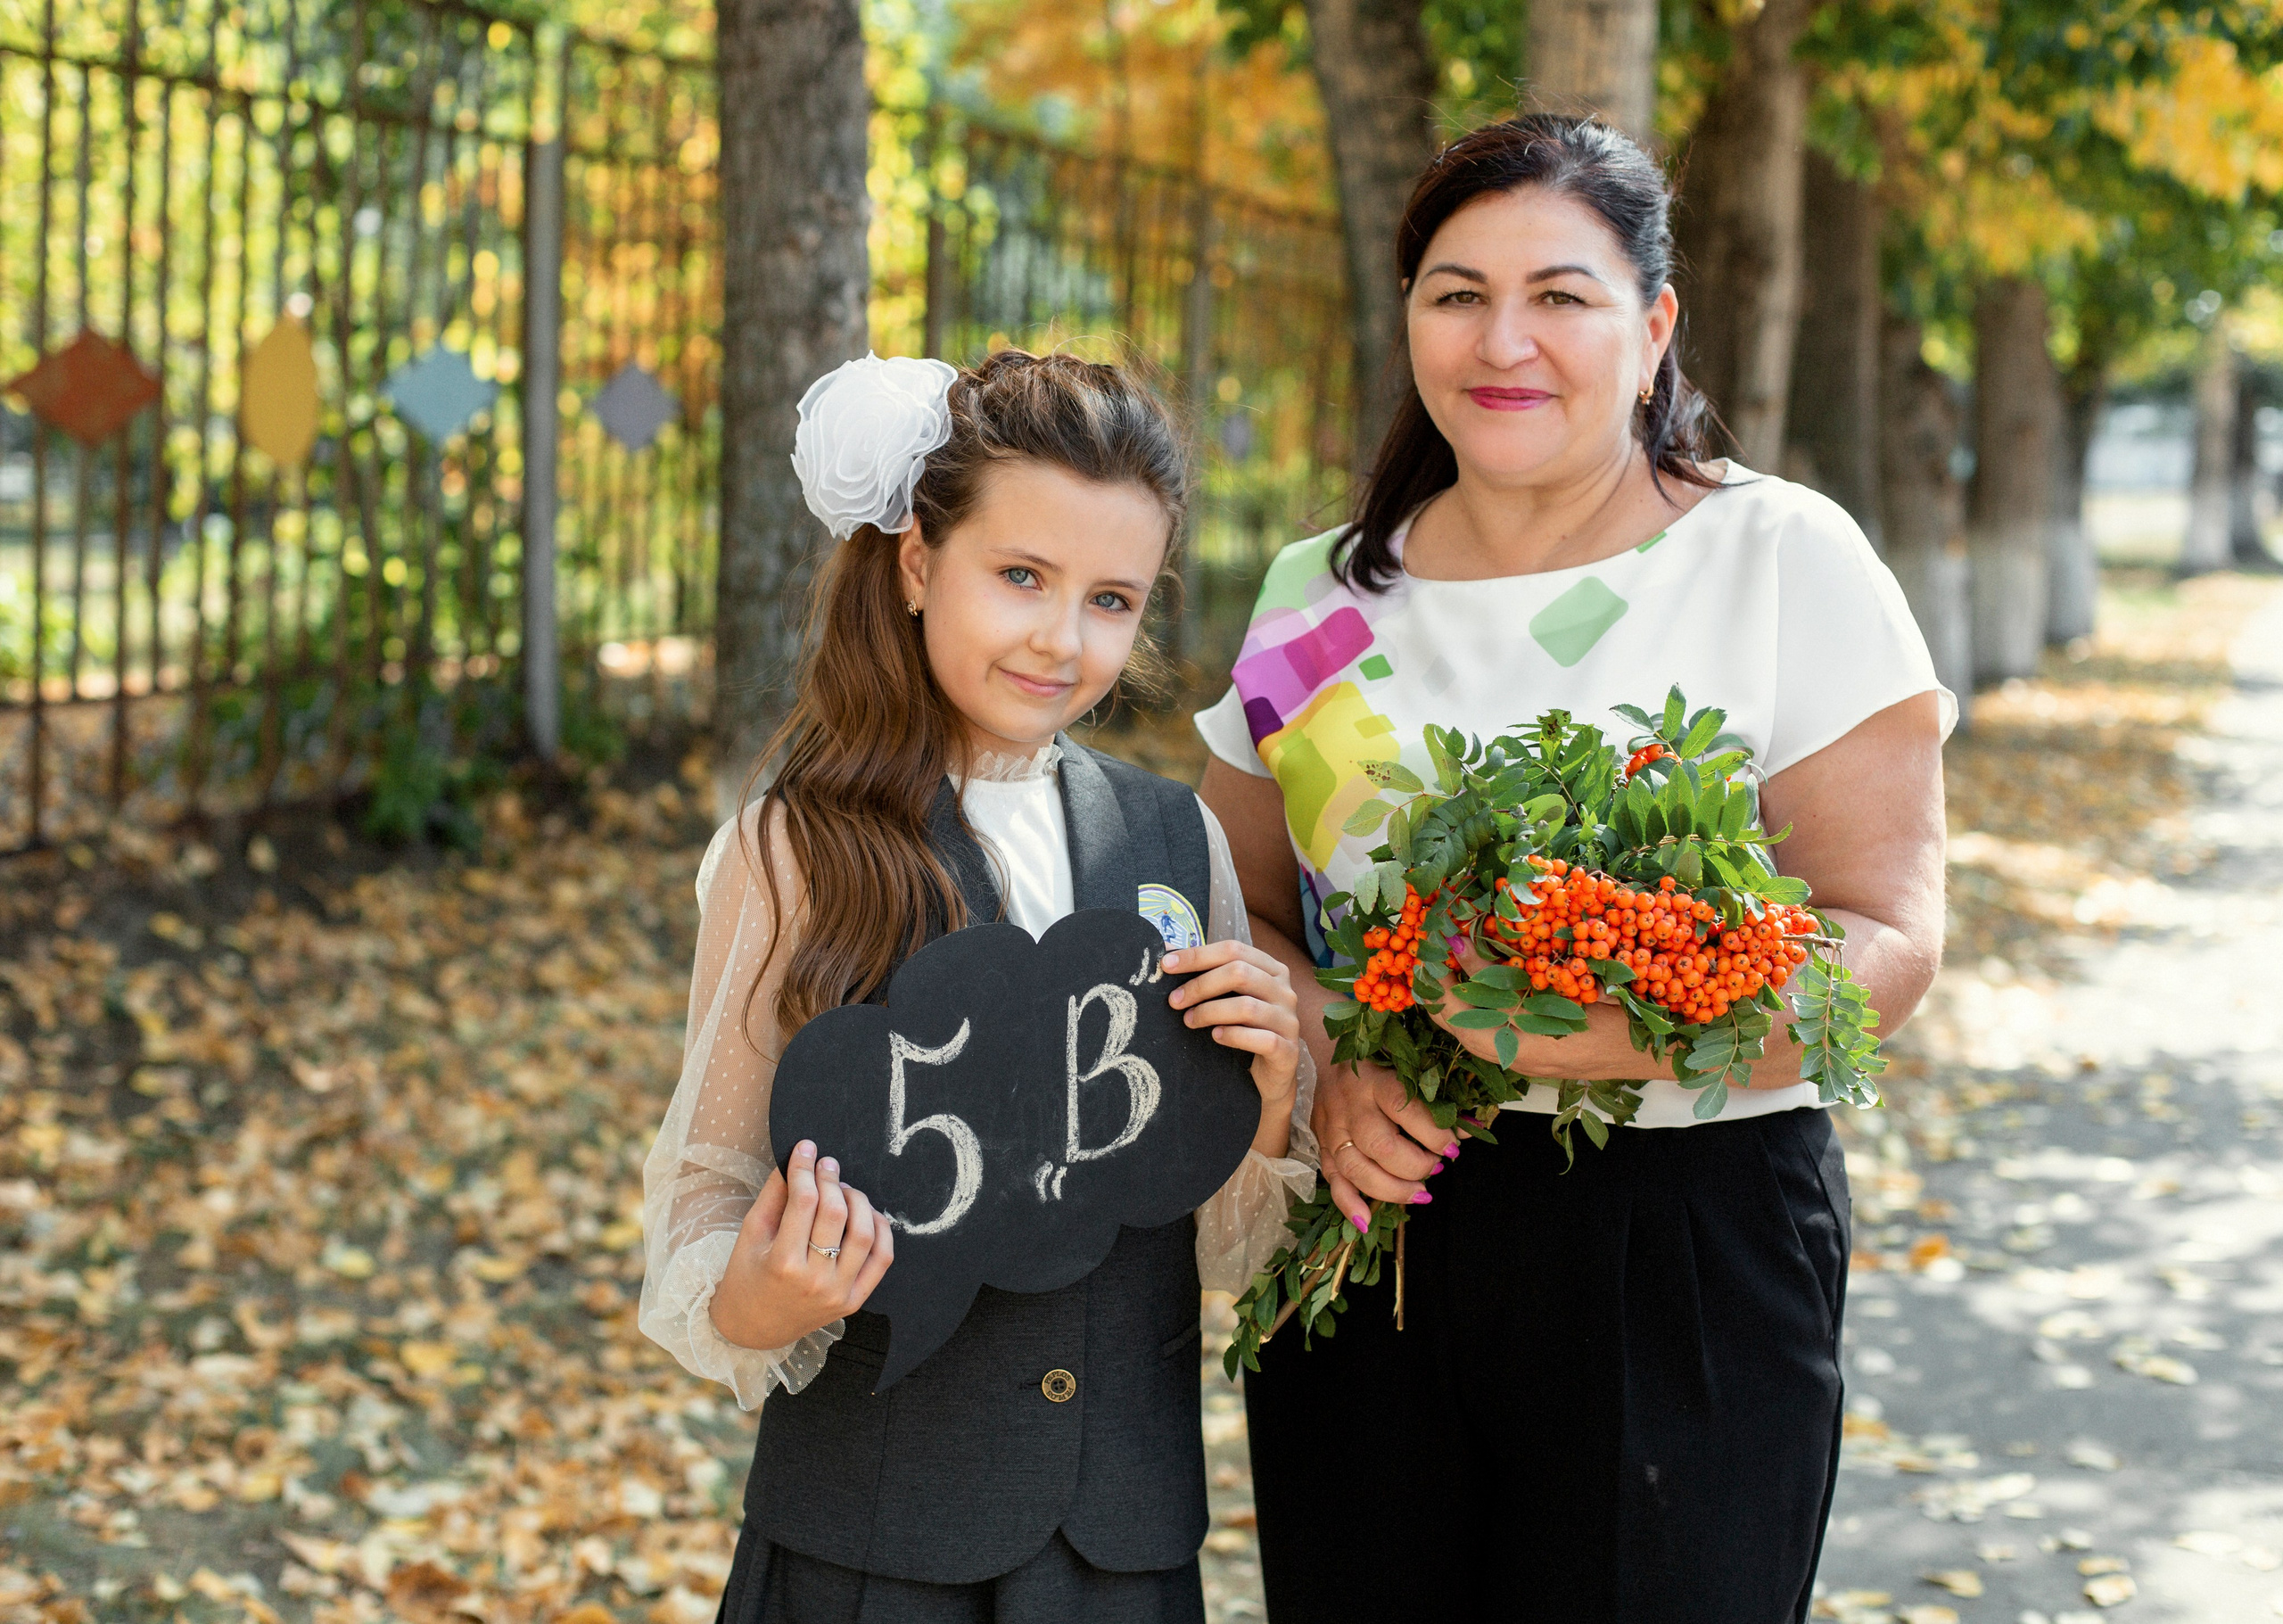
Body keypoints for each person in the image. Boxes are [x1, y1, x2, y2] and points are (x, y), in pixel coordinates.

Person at [1193, 117, 1953, 1622]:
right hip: (1373, 1227)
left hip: (1686, 1238)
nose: (1504, 340)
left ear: (1655, 324)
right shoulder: (1316, 598)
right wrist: (1335, 1053)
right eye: (1457, 292)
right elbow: (1238, 912)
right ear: (1408, 310)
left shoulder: (1777, 557)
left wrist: (1643, 1023)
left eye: (1562, 294)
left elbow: (1889, 930)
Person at [639, 349, 1317, 1623]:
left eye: (1112, 600)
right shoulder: (795, 853)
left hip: (1118, 1547)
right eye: (1021, 577)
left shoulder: (1181, 845)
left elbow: (1238, 1253)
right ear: (914, 564)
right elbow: (703, 1200)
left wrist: (1267, 1098)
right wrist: (765, 1292)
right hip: (875, 1545)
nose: (1063, 639)